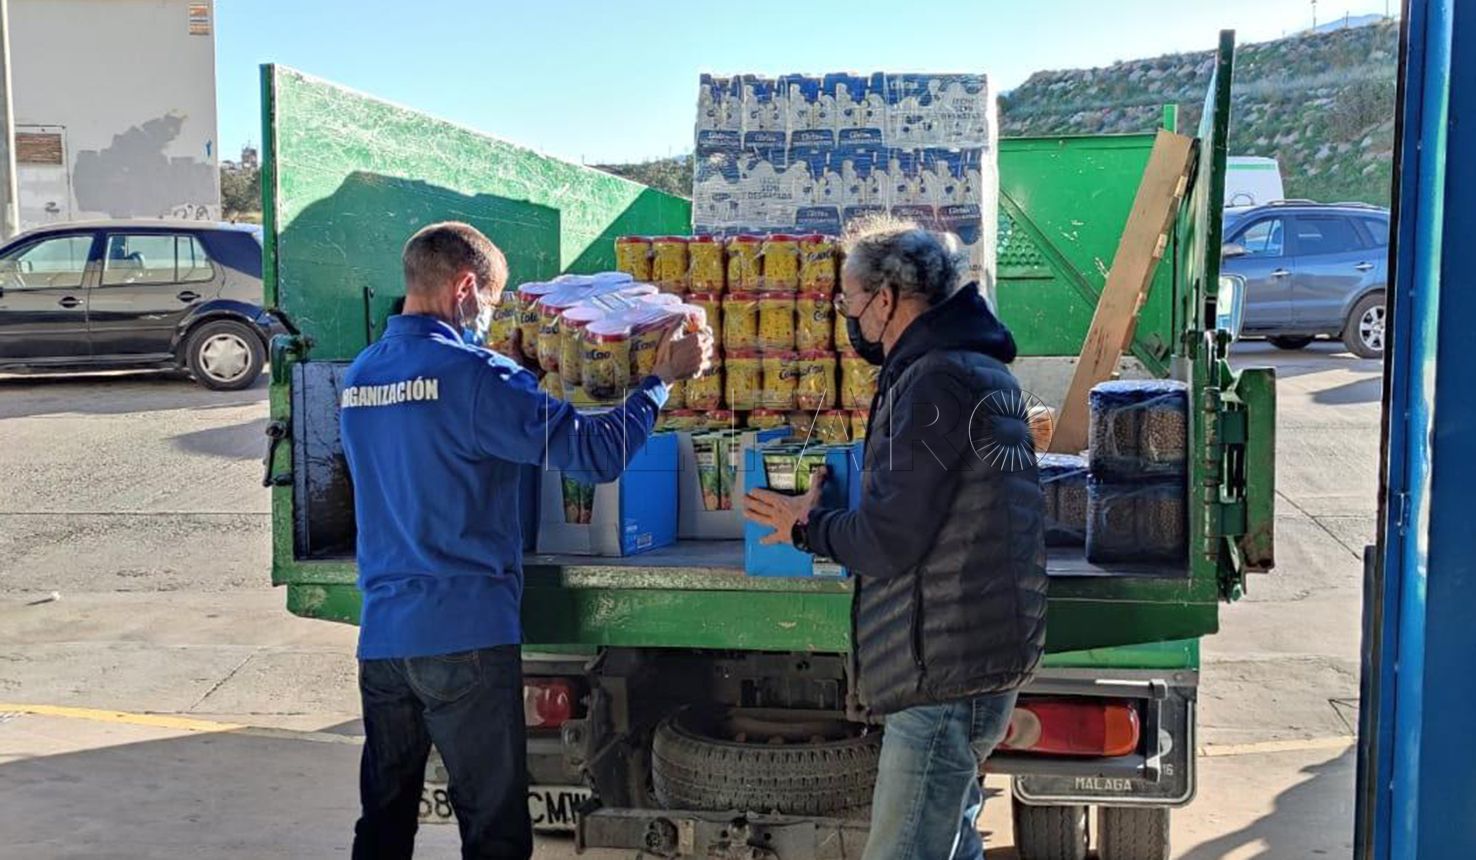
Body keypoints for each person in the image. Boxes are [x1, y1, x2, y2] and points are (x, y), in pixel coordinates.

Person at [339, 222, 711, 859]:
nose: (489, 316)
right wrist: (661, 381)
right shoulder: (476, 376)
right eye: (490, 302)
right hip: (464, 635)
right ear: (464, 288)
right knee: (496, 833)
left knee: (384, 823)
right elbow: (595, 455)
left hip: (384, 636)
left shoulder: (361, 375)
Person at [744, 219, 1047, 860]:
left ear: (885, 301)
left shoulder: (934, 384)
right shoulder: (972, 370)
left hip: (943, 672)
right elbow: (931, 508)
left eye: (849, 302)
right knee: (951, 843)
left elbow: (887, 541)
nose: (847, 318)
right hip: (970, 656)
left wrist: (803, 525)